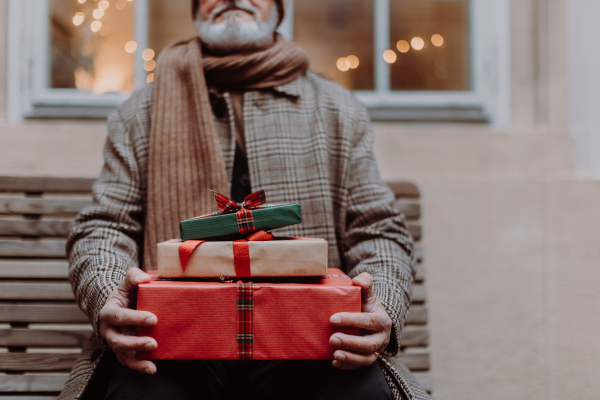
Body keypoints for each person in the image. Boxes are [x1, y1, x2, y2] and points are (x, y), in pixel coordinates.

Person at [60, 1, 431, 399]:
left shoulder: (338, 110)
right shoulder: (139, 113)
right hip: (173, 339)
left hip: (312, 341)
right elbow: (104, 227)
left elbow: (378, 229)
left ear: (279, 8)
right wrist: (110, 295)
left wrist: (383, 306)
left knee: (362, 391)